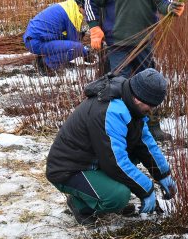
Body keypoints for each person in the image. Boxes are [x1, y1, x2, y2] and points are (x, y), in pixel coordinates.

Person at [45, 69, 176, 224]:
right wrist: (146, 190)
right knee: (118, 196)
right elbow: (114, 162)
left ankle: (99, 192)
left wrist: (163, 174)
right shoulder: (110, 111)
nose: (151, 110)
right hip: (69, 169)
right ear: (138, 98)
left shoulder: (131, 104)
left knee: (134, 155)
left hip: (94, 161)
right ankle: (80, 205)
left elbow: (145, 143)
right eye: (150, 106)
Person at [24, 0, 91, 75]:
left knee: (73, 46)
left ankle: (44, 59)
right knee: (77, 48)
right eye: (88, 9)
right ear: (81, 6)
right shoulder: (73, 14)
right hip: (37, 42)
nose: (88, 13)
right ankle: (45, 63)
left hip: (35, 39)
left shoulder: (68, 6)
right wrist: (87, 54)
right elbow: (74, 42)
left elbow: (66, 36)